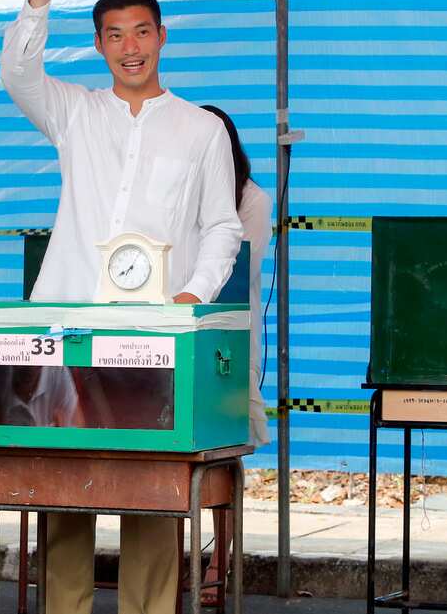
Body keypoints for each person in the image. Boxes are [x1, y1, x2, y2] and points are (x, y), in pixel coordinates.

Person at [0, 0, 243, 614]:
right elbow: (18, 74)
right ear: (100, 46)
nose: (130, 46)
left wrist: (193, 295)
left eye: (141, 31)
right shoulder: (73, 112)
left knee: (155, 494)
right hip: (66, 330)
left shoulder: (200, 130)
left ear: (163, 37)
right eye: (114, 35)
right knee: (63, 491)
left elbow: (223, 225)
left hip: (155, 337)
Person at [199, 104, 272, 606]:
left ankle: (219, 558)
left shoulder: (252, 199)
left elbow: (235, 267)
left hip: (228, 333)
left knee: (225, 443)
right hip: (180, 330)